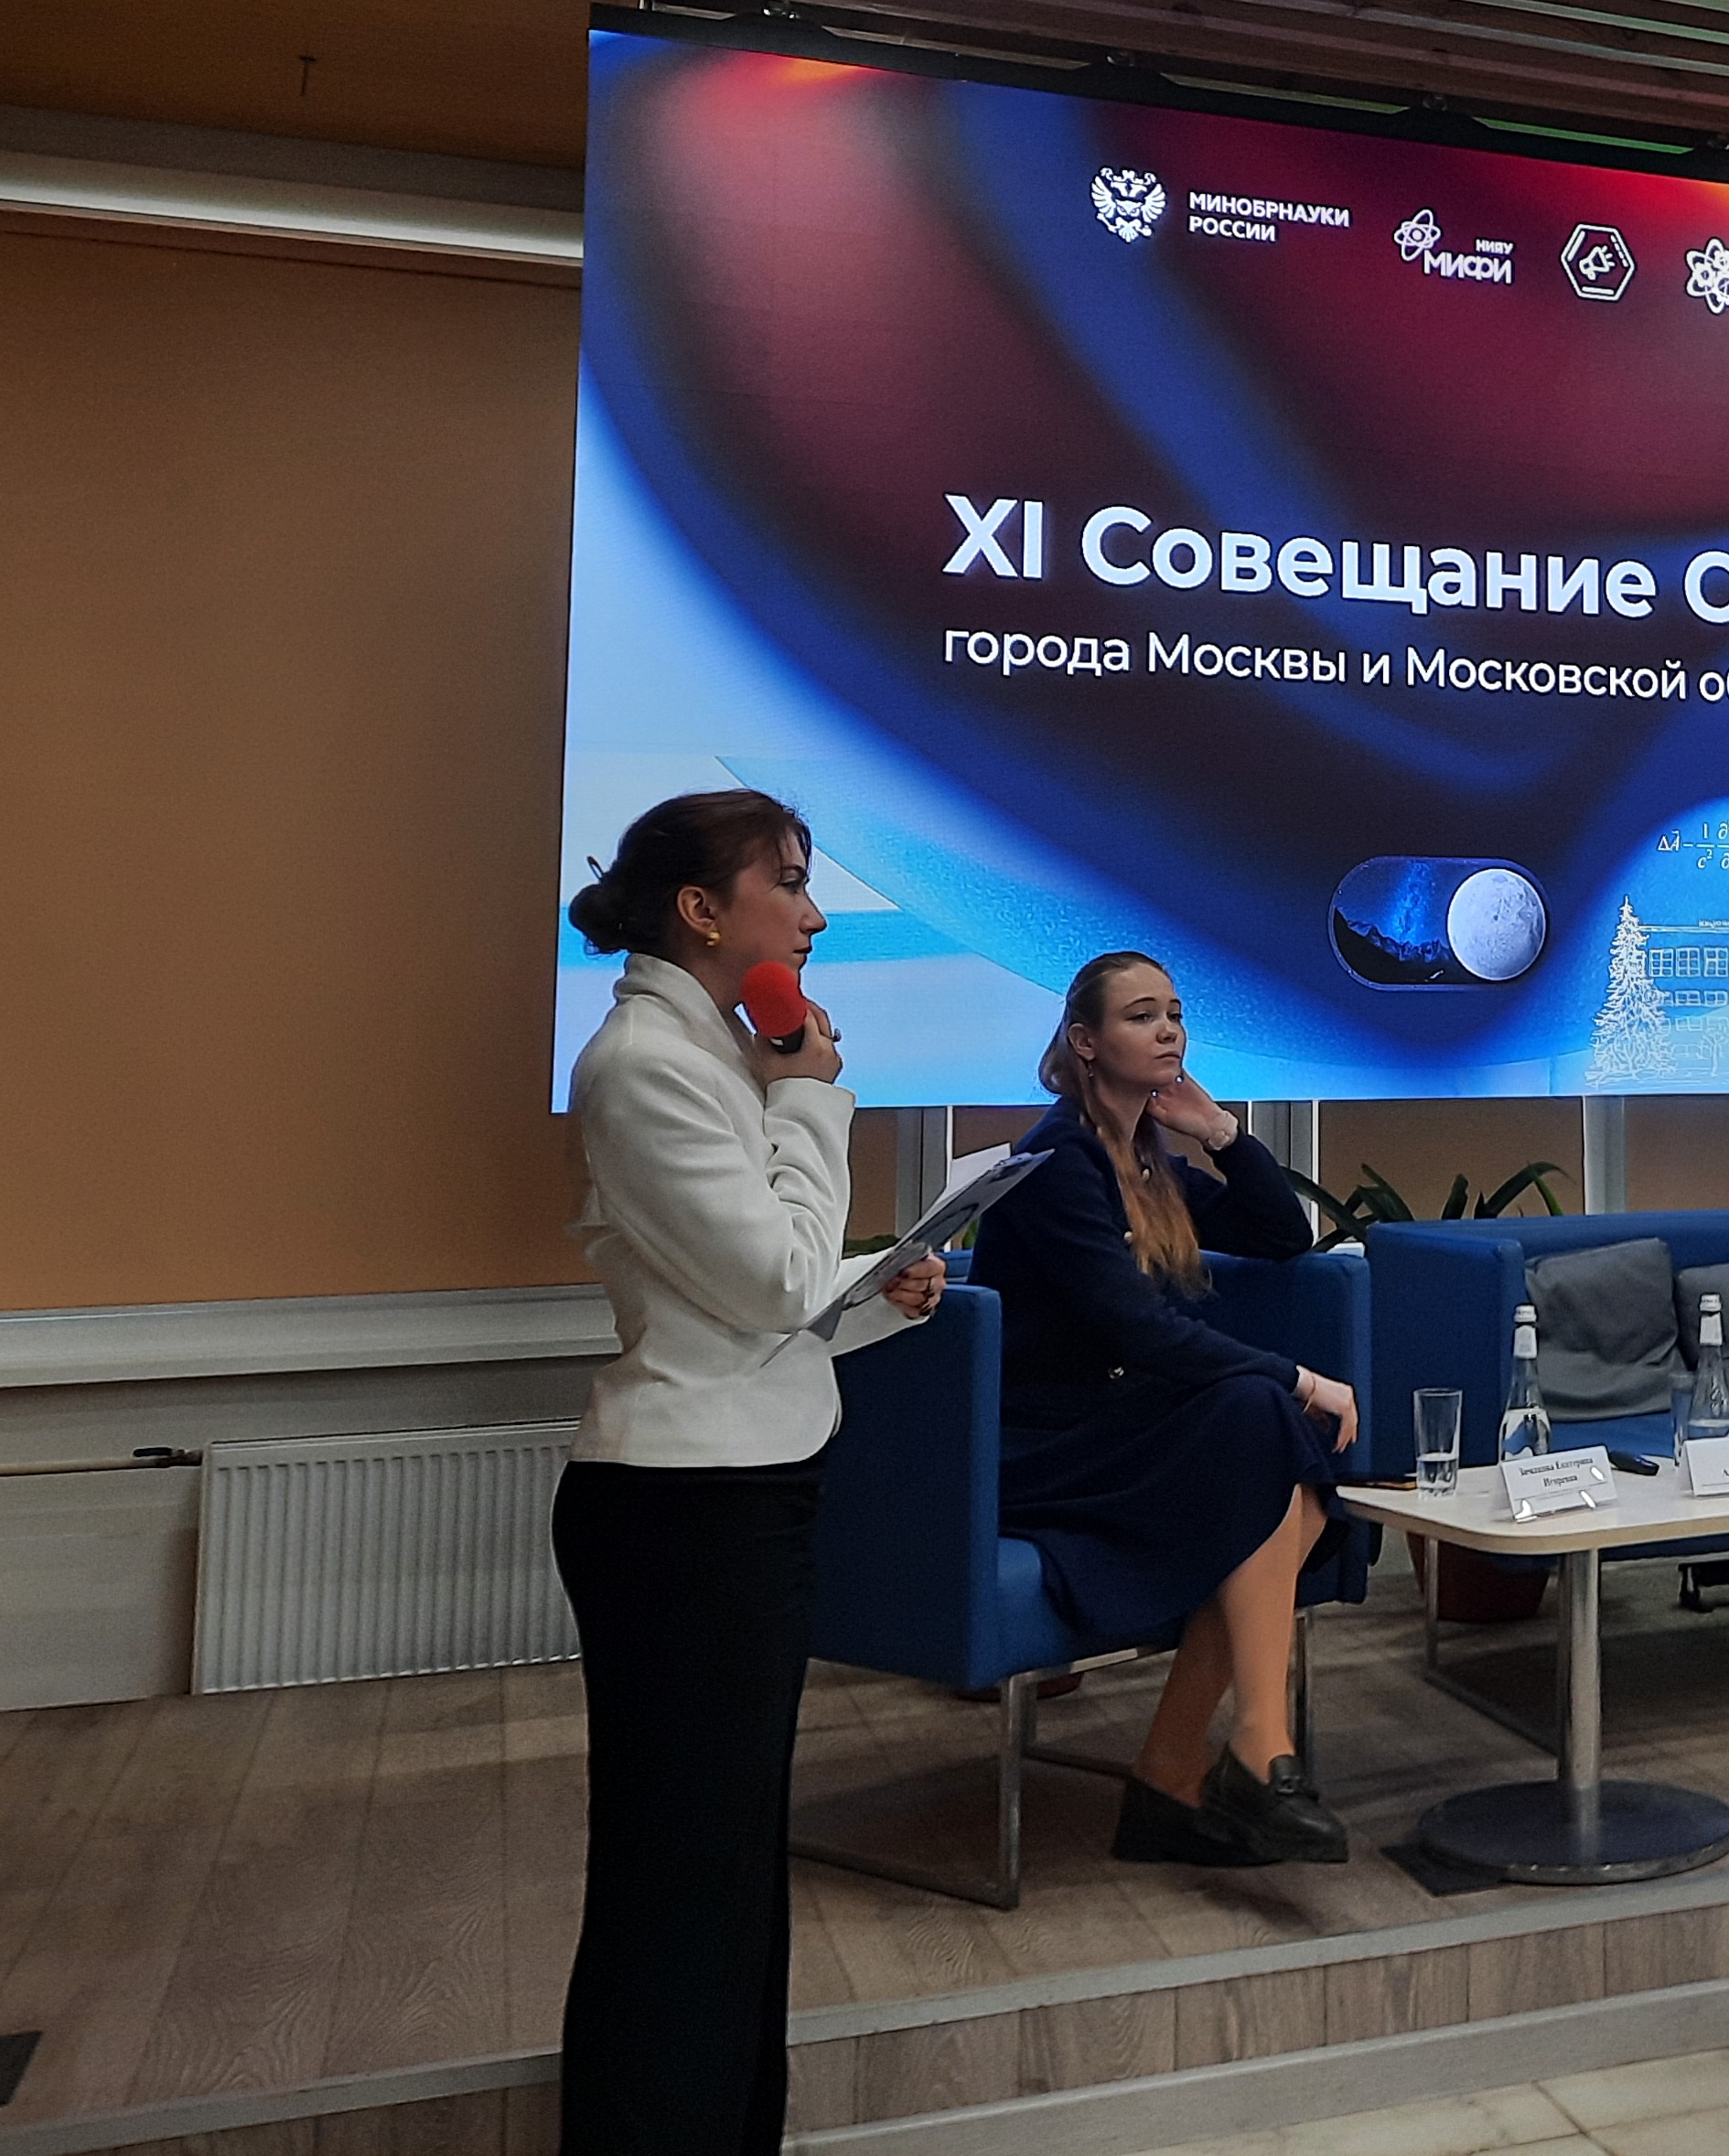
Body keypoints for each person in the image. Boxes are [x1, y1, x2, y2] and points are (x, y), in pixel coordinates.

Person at [555, 790, 945, 2156]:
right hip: (682, 1511)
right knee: (679, 1881)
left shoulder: (710, 1049)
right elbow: (775, 1278)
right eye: (788, 882)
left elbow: (757, 1305)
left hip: (743, 1489)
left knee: (726, 1874)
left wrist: (879, 1296)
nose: (817, 913)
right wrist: (813, 1098)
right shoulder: (644, 1062)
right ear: (701, 911)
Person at [967, 951, 1359, 1866]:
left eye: (1175, 1014)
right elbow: (1135, 1329)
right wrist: (1300, 1378)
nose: (1169, 1031)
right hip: (1043, 1444)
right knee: (1269, 1419)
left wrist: (1218, 1132)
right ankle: (1219, 1761)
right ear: (1085, 1041)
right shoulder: (1057, 1161)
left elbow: (1281, 1238)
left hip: (1115, 1425)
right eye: (1141, 1016)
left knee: (1279, 1459)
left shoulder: (1144, 1159)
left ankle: (1214, 1763)